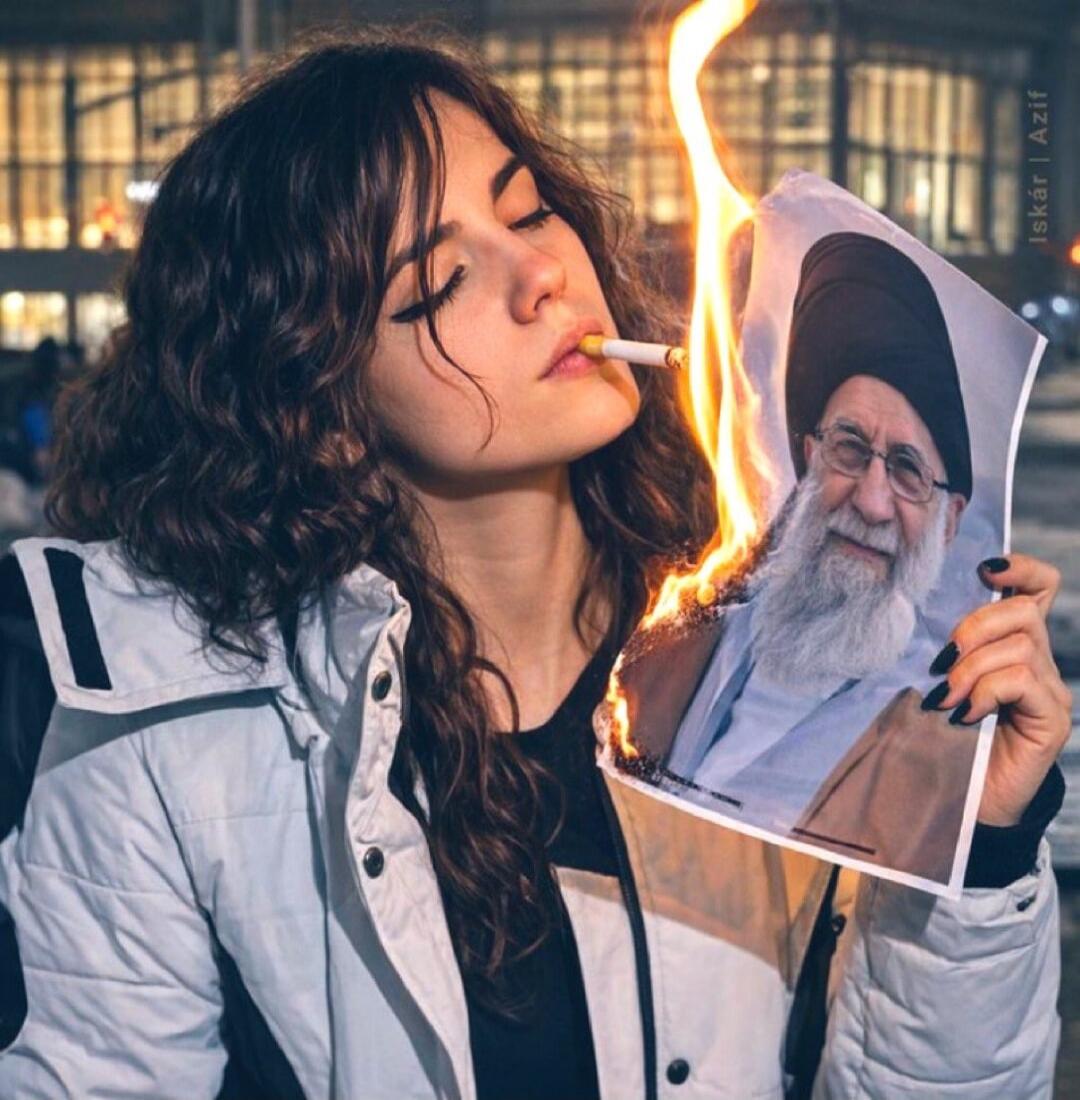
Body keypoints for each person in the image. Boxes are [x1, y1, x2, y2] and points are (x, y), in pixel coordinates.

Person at [0, 28, 1070, 1100]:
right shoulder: (158, 733)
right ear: (317, 402)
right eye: (440, 281)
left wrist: (976, 843)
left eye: (528, 212)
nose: (544, 276)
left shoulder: (788, 646)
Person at [629, 232, 988, 881]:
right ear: (808, 457)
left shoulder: (952, 747)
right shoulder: (683, 633)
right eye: (849, 448)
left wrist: (998, 853)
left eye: (908, 471)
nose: (872, 502)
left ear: (949, 521)